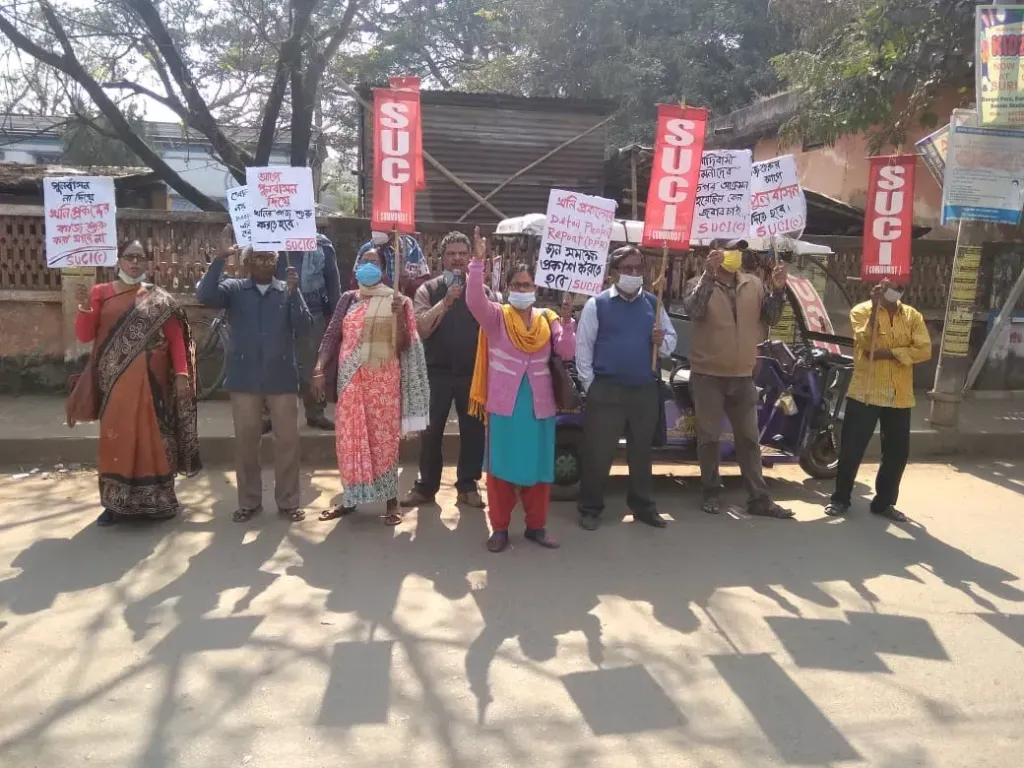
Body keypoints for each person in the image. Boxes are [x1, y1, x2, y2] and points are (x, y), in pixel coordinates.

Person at [71, 240, 201, 526]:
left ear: (146, 263)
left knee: (155, 440)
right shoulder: (100, 293)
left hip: (154, 384)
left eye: (140, 258)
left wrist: (182, 374)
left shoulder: (158, 298)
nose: (134, 262)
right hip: (114, 385)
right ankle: (114, 506)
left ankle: (159, 501)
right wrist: (84, 308)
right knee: (116, 440)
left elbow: (176, 339)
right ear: (119, 260)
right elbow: (84, 336)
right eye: (129, 257)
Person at [197, 227, 313, 523]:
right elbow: (205, 295)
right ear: (248, 262)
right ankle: (249, 502)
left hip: (281, 378)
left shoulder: (286, 289)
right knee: (246, 443)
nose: (264, 262)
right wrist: (220, 260)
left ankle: (288, 502)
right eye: (258, 257)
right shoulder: (234, 289)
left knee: (287, 442)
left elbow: (304, 327)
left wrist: (295, 293)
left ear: (277, 261)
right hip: (245, 379)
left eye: (269, 257)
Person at [465, 249, 576, 552]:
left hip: (540, 407)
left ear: (535, 288)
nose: (522, 290)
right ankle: (500, 529)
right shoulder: (497, 317)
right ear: (508, 287)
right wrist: (477, 263)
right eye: (517, 285)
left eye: (527, 285)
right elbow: (473, 300)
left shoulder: (548, 318)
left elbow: (567, 351)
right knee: (500, 471)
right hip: (505, 407)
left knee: (539, 471)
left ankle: (536, 527)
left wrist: (567, 323)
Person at [310, 248, 430, 525]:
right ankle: (351, 498)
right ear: (357, 266)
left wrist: (399, 317)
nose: (369, 266)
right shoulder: (348, 299)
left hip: (383, 384)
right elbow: (332, 335)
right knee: (349, 439)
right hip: (350, 381)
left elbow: (404, 345)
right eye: (364, 261)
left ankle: (391, 501)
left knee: (384, 440)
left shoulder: (397, 301)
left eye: (375, 262)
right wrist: (319, 368)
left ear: (384, 270)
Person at [682, 238, 792, 519]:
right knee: (709, 438)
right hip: (708, 375)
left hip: (743, 375)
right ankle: (711, 491)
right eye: (730, 250)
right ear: (715, 252)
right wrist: (708, 274)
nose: (735, 256)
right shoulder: (696, 283)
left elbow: (770, 318)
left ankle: (759, 498)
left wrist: (778, 290)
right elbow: (694, 310)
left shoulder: (753, 284)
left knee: (749, 439)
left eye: (739, 251)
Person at [574, 245, 678, 531]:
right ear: (613, 273)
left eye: (637, 268)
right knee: (599, 452)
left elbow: (671, 342)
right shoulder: (597, 305)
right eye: (627, 268)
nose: (633, 273)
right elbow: (583, 349)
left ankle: (643, 507)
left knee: (641, 453)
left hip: (644, 390)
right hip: (606, 390)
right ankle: (591, 508)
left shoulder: (653, 304)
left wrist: (661, 341)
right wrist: (592, 386)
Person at [825, 279, 931, 522]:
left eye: (900, 285)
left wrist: (891, 353)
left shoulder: (912, 315)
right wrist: (875, 309)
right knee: (851, 450)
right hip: (866, 393)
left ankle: (884, 503)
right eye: (891, 285)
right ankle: (840, 499)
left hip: (899, 395)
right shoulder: (861, 311)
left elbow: (924, 350)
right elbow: (866, 343)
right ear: (880, 286)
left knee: (897, 453)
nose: (896, 289)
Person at [402, 230, 488, 509]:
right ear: (442, 259)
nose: (457, 259)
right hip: (435, 373)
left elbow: (494, 327)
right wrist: (446, 302)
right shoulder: (428, 289)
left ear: (469, 257)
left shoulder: (482, 291)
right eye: (452, 254)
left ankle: (468, 486)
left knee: (473, 431)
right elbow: (421, 328)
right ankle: (426, 487)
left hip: (471, 374)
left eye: (463, 253)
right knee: (430, 432)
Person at [277, 233, 341, 430]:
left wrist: (337, 317)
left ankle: (315, 413)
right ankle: (269, 415)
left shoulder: (323, 246)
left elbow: (333, 283)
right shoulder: (274, 241)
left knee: (312, 366)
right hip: (278, 310)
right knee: (274, 363)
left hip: (313, 314)